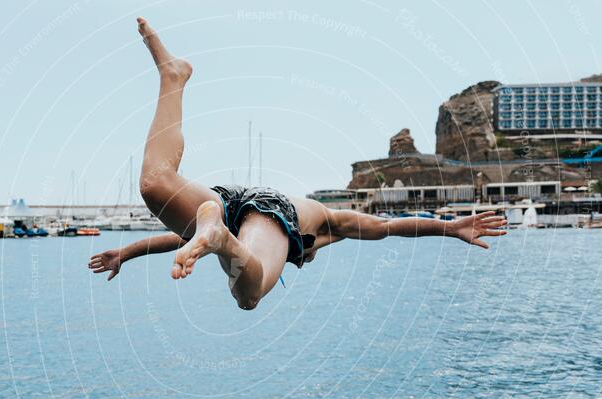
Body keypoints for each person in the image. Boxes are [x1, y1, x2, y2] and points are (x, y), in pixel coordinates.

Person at [89, 18, 507, 310]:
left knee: (155, 182)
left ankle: (172, 79)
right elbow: (386, 228)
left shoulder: (309, 224)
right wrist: (448, 228)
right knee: (248, 295)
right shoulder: (325, 222)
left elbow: (179, 237)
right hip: (263, 212)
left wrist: (128, 251)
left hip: (227, 201)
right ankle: (217, 236)